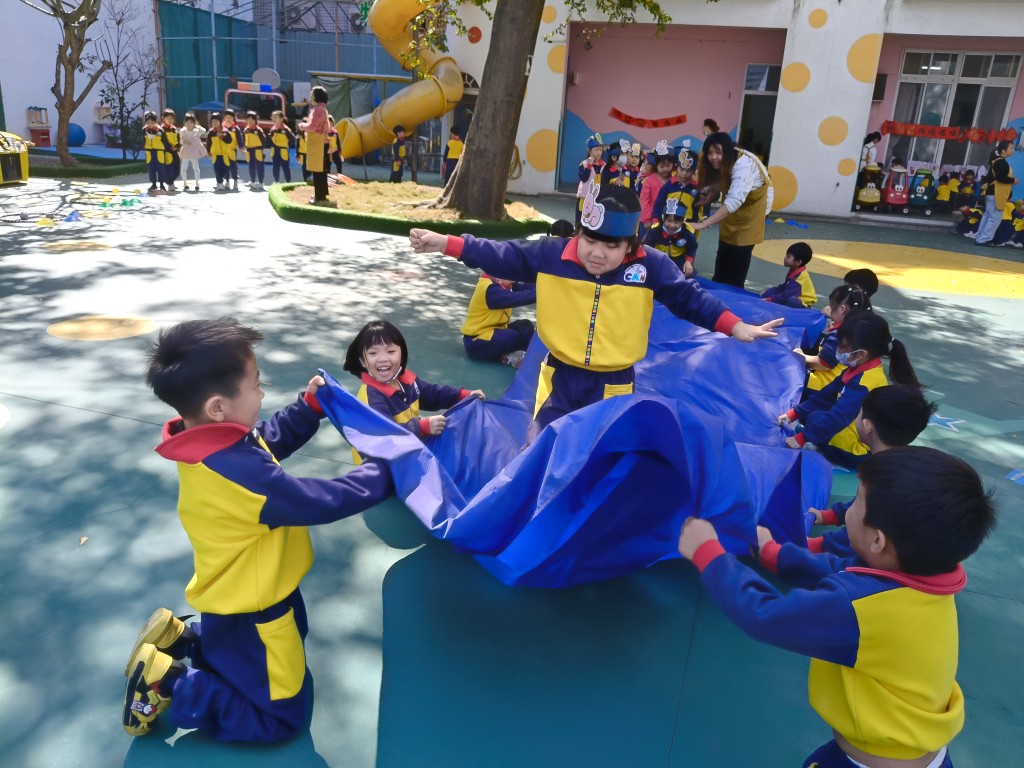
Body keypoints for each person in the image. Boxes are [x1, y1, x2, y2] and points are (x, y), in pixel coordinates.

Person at [124, 317, 394, 741]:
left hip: (231, 592)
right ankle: (169, 683)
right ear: (217, 407)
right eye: (256, 384)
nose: (262, 393)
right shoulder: (241, 474)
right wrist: (386, 472)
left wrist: (308, 409)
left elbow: (267, 440)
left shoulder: (209, 442)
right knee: (278, 719)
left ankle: (185, 640)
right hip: (259, 606)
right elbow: (319, 501)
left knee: (252, 644)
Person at [677, 445, 996, 768]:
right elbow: (844, 569)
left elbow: (763, 615)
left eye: (856, 503)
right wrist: (774, 553)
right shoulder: (925, 578)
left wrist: (708, 554)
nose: (848, 510)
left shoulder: (862, 609)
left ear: (878, 541)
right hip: (915, 752)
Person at [410, 184, 783, 439]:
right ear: (578, 233)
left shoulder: (650, 265)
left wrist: (733, 325)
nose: (597, 253)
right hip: (559, 375)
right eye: (589, 240)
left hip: (613, 381)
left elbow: (689, 298)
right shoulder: (553, 254)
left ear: (631, 245)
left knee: (602, 450)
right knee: (542, 445)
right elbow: (501, 254)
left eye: (611, 246)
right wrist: (447, 243)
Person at [808, 384, 938, 558]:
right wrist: (829, 516)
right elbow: (861, 504)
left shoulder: (882, 479)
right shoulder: (901, 462)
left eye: (859, 413)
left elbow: (857, 536)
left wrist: (813, 545)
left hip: (885, 556)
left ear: (867, 425)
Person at [779, 311, 920, 468]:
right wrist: (795, 413)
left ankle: (832, 450)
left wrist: (802, 438)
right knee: (816, 416)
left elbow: (838, 418)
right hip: (857, 429)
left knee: (817, 421)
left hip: (857, 450)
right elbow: (826, 395)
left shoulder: (863, 383)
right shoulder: (858, 368)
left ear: (861, 354)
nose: (838, 350)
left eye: (842, 346)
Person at [343, 320, 484, 440]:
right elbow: (385, 435)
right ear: (362, 361)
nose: (383, 358)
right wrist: (420, 428)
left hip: (410, 447)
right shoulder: (371, 398)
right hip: (384, 461)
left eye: (390, 351)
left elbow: (432, 393)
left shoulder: (406, 380)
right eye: (373, 353)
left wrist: (463, 395)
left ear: (401, 355)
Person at [691, 132, 774, 289]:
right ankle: (718, 286)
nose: (713, 157)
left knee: (739, 260)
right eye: (710, 153)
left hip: (753, 211)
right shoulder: (726, 160)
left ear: (728, 150)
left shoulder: (744, 165)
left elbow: (734, 201)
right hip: (735, 210)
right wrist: (710, 195)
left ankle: (734, 293)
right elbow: (724, 180)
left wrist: (703, 224)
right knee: (724, 253)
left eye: (718, 152)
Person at [796, 284, 871, 396]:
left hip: (822, 385)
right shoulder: (863, 328)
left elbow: (823, 364)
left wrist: (801, 355)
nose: (830, 310)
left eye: (832, 307)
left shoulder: (839, 335)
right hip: (843, 383)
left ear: (842, 309)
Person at [460, 274, 537, 368]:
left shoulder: (502, 283)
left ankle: (515, 353)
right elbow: (518, 298)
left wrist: (545, 287)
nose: (514, 281)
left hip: (493, 333)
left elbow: (524, 287)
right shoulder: (490, 290)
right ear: (498, 278)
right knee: (511, 336)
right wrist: (540, 293)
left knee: (526, 326)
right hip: (477, 343)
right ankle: (511, 355)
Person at [976, 141, 1018, 246]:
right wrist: (1013, 180)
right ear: (1003, 151)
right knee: (994, 218)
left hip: (992, 193)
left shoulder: (997, 161)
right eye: (1011, 148)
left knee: (988, 216)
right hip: (996, 193)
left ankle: (980, 238)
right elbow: (1000, 178)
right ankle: (984, 239)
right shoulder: (1001, 162)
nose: (1013, 150)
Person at [643, 197, 698, 276]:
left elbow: (691, 248)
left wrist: (688, 261)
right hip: (658, 257)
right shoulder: (654, 231)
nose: (672, 225)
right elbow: (647, 247)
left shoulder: (688, 233)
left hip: (678, 259)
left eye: (676, 222)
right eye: (669, 221)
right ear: (663, 219)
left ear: (683, 221)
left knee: (686, 275)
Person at [651, 148, 701, 228]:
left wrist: (695, 224)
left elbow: (696, 209)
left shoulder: (695, 189)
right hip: (668, 222)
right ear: (676, 167)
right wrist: (655, 220)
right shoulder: (668, 186)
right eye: (681, 169)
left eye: (688, 171)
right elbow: (659, 204)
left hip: (687, 225)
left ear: (693, 171)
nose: (684, 173)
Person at [760, 241, 816, 308]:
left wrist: (770, 300)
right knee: (770, 292)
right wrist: (767, 293)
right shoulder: (794, 270)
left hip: (802, 304)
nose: (785, 258)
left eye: (788, 256)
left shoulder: (798, 280)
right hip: (791, 294)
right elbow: (784, 286)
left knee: (792, 301)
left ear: (798, 262)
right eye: (786, 255)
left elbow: (786, 296)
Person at [298, 87, 330, 203]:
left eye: (312, 94)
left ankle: (319, 196)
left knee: (317, 170)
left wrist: (302, 126)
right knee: (321, 170)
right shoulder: (323, 109)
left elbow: (312, 127)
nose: (310, 96)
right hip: (322, 142)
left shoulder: (317, 110)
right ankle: (322, 194)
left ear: (317, 96)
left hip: (318, 143)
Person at [639, 140, 675, 232]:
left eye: (668, 166)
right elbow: (644, 201)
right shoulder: (649, 180)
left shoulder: (674, 180)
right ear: (656, 166)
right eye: (662, 166)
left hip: (668, 221)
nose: (665, 169)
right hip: (649, 220)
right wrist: (647, 219)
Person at [576, 134, 605, 226]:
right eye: (596, 150)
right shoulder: (584, 164)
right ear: (589, 151)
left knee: (594, 223)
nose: (599, 152)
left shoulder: (604, 165)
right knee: (581, 221)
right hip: (585, 198)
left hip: (598, 198)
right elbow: (583, 178)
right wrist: (589, 165)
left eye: (600, 150)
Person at [178, 112, 207, 192]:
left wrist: (197, 126)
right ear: (184, 122)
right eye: (187, 122)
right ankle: (185, 183)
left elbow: (204, 130)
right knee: (184, 168)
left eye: (191, 122)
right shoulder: (183, 131)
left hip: (194, 152)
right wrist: (185, 141)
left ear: (194, 123)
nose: (188, 124)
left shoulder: (196, 131)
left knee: (196, 168)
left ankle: (197, 183)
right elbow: (180, 141)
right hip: (186, 151)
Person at [142, 111, 170, 194]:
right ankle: (153, 184)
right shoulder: (144, 130)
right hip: (149, 152)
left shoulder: (160, 130)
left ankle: (162, 184)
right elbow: (143, 140)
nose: (150, 124)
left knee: (161, 168)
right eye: (148, 122)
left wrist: (165, 151)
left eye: (152, 122)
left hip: (159, 152)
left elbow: (165, 142)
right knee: (151, 168)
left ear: (155, 121)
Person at [268, 110, 295, 184]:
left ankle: (288, 181)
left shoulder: (286, 129)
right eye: (273, 117)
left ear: (281, 119)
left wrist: (286, 144)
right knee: (275, 166)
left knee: (285, 167)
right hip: (275, 150)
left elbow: (293, 139)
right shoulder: (273, 129)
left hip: (283, 150)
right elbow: (270, 137)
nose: (274, 119)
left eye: (276, 117)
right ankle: (276, 181)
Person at [243, 110, 267, 191]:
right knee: (251, 166)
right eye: (248, 119)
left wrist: (260, 149)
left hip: (257, 150)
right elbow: (244, 139)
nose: (250, 121)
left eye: (252, 119)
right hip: (249, 150)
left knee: (260, 166)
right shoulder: (246, 130)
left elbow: (263, 140)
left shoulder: (259, 130)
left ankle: (261, 182)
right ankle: (252, 181)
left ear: (255, 120)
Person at [222, 110, 243, 192]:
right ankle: (227, 181)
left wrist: (241, 147)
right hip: (223, 151)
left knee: (233, 167)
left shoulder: (235, 128)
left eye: (230, 117)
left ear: (233, 118)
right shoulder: (221, 127)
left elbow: (239, 139)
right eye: (227, 117)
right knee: (225, 166)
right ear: (224, 118)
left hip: (232, 151)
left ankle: (235, 181)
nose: (228, 119)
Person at [161, 108, 181, 191]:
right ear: (163, 119)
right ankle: (170, 183)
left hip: (174, 151)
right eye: (167, 118)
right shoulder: (161, 130)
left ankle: (170, 181)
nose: (169, 120)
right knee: (169, 168)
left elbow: (178, 140)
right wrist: (169, 147)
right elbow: (162, 141)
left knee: (177, 168)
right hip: (166, 152)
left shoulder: (174, 129)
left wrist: (177, 147)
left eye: (171, 118)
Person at [205, 112, 227, 191]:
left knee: (225, 168)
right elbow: (209, 143)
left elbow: (229, 140)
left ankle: (222, 180)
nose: (214, 123)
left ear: (220, 122)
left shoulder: (225, 131)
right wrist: (208, 152)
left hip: (224, 154)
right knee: (217, 168)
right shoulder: (211, 132)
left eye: (216, 121)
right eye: (213, 121)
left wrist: (222, 136)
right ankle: (219, 182)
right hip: (215, 154)